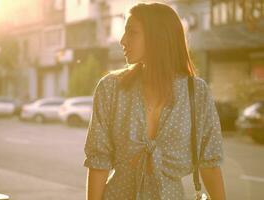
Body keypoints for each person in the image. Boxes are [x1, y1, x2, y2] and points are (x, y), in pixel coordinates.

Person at [84, 2, 226, 200]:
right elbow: (98, 162)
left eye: (132, 32)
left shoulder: (197, 92)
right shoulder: (110, 88)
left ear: (158, 37)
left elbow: (209, 163)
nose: (122, 40)